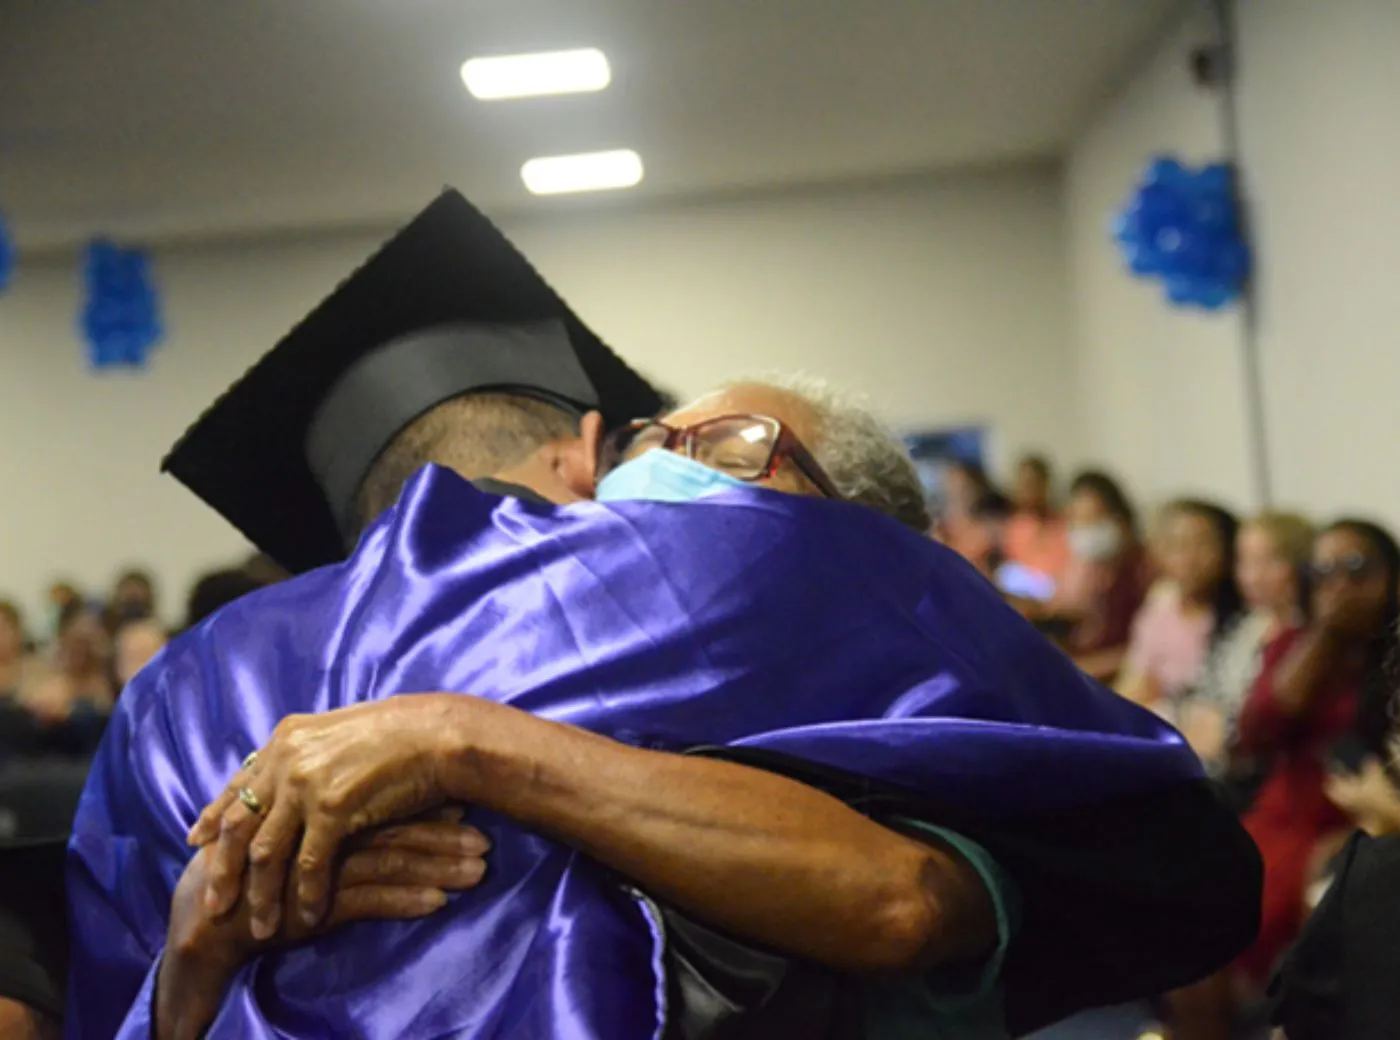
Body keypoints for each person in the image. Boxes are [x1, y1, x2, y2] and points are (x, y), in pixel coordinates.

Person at [68, 190, 1259, 1039]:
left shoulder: (877, 635)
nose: (669, 476)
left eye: (727, 449)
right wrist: (204, 949)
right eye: (651, 440)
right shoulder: (229, 696)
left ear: (876, 540)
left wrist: (456, 737)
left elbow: (906, 904)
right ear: (585, 457)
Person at [1191, 512, 1313, 774]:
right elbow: (1203, 691)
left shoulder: (1310, 640)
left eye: (1269, 562)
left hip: (1262, 770)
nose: (1251, 577)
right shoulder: (1245, 626)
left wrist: (1222, 735)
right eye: (1244, 562)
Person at [1117, 499, 1243, 722]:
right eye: (1177, 545)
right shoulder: (1161, 601)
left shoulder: (1241, 619)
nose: (1188, 558)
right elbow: (1137, 681)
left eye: (1202, 545)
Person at [1038, 471, 1152, 683]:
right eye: (1078, 521)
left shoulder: (1143, 570)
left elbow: (1140, 652)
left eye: (1092, 520)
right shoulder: (1093, 566)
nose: (1083, 531)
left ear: (1120, 519)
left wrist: (1079, 670)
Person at [1001, 455, 1068, 587]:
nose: (1028, 491)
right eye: (1024, 484)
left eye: (1033, 483)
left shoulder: (1063, 523)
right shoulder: (1013, 527)